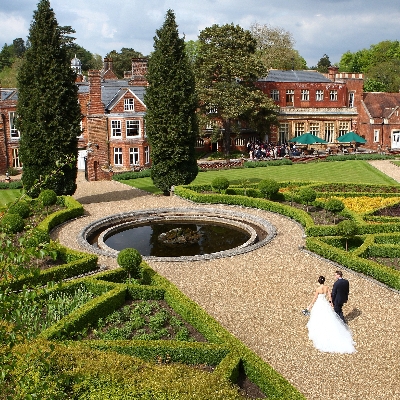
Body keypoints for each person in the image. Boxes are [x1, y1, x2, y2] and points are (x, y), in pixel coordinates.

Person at [305, 275, 355, 353]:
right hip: (325, 303)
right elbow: (330, 296)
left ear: (319, 281)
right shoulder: (327, 287)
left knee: (317, 315)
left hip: (319, 303)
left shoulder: (318, 289)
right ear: (324, 281)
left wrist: (310, 306)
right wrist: (331, 303)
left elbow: (315, 298)